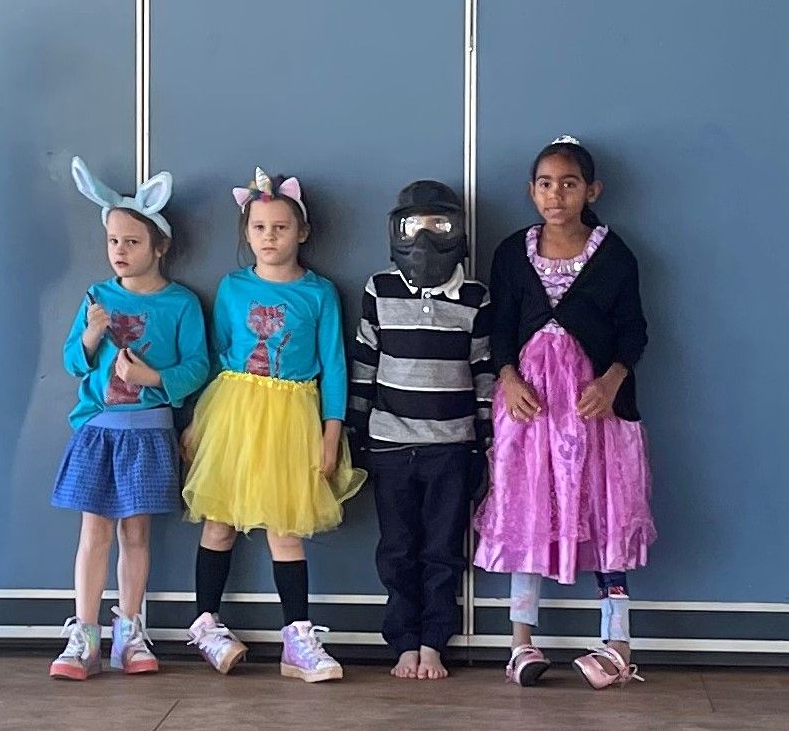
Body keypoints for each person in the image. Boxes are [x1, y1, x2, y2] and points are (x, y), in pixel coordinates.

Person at [474, 136, 656, 689]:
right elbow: (498, 327)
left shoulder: (614, 254)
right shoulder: (511, 252)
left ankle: (617, 643)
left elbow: (634, 331)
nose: (557, 194)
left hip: (592, 406)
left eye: (569, 183)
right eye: (546, 183)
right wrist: (508, 378)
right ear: (532, 191)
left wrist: (611, 380)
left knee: (606, 508)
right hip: (530, 406)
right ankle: (521, 642)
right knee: (531, 505)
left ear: (591, 190)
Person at [182, 167, 366, 684]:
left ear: (301, 232)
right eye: (260, 228)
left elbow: (334, 366)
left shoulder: (320, 292)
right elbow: (217, 357)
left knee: (285, 529)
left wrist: (332, 433)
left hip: (292, 418)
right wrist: (199, 423)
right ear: (247, 233)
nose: (270, 237)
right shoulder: (233, 287)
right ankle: (206, 623)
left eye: (281, 227)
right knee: (219, 520)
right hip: (234, 414)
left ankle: (297, 639)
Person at [48, 157, 208, 680]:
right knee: (93, 532)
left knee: (136, 535)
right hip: (99, 432)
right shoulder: (96, 296)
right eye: (113, 241)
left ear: (159, 246)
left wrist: (154, 379)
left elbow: (199, 366)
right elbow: (73, 360)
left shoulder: (181, 303)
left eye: (132, 242)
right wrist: (92, 335)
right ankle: (83, 634)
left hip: (148, 434)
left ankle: (131, 633)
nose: (120, 251)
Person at [349, 180, 493, 680]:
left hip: (452, 447)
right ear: (396, 233)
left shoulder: (475, 296)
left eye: (440, 226)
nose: (425, 241)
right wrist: (356, 430)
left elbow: (484, 374)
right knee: (397, 547)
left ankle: (434, 640)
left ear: (458, 233)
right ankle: (403, 640)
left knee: (441, 550)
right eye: (414, 227)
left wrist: (487, 443)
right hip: (389, 444)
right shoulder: (379, 289)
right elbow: (365, 363)